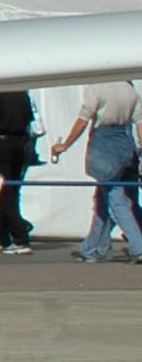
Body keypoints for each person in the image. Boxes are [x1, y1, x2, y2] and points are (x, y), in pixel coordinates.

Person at [46, 79, 142, 264]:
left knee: (115, 200)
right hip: (126, 142)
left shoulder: (96, 88)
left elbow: (83, 120)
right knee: (110, 201)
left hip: (104, 144)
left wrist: (65, 144)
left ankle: (138, 247)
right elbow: (139, 123)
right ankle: (92, 248)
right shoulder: (130, 89)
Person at [0, 88, 40, 253]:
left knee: (3, 191)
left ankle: (20, 235)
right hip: (20, 143)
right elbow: (29, 119)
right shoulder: (23, 93)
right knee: (12, 189)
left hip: (2, 143)